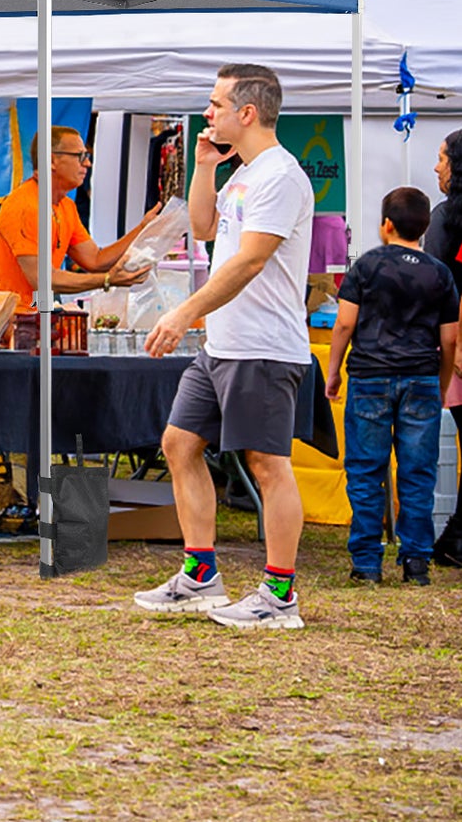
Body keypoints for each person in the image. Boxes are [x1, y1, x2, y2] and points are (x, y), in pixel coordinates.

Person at [135, 63, 314, 630]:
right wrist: (205, 168)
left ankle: (279, 595)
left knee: (267, 464)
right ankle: (200, 575)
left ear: (247, 112)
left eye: (215, 103)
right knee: (178, 443)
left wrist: (186, 310)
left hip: (263, 346)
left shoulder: (280, 176)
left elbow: (250, 260)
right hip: (223, 345)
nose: (206, 112)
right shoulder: (242, 172)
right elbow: (207, 229)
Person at [325, 186, 457, 586]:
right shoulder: (439, 272)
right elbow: (450, 339)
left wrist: (334, 371)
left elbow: (345, 323)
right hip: (420, 378)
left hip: (369, 378)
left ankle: (366, 563)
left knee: (366, 471)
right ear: (425, 226)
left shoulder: (366, 266)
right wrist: (442, 382)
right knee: (418, 473)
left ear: (386, 224)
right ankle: (416, 561)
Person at [0, 126, 154, 308]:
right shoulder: (25, 205)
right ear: (52, 161)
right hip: (4, 320)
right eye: (80, 156)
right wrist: (107, 280)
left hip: (32, 315)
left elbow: (95, 260)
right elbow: (41, 279)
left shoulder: (66, 206)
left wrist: (143, 229)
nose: (87, 163)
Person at [422, 129, 462, 567]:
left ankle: (452, 539)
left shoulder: (445, 220)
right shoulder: (445, 219)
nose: (437, 167)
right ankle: (453, 539)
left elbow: (437, 288)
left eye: (442, 158)